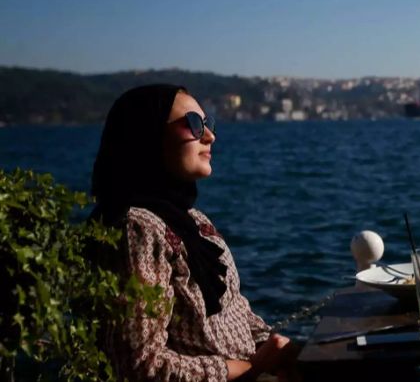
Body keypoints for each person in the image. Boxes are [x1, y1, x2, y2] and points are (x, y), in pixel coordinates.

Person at [90, 84, 300, 381]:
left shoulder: (193, 222)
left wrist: (278, 348)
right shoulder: (135, 228)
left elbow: (233, 313)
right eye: (192, 124)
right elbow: (138, 366)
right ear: (148, 136)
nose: (209, 136)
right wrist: (247, 368)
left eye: (208, 123)